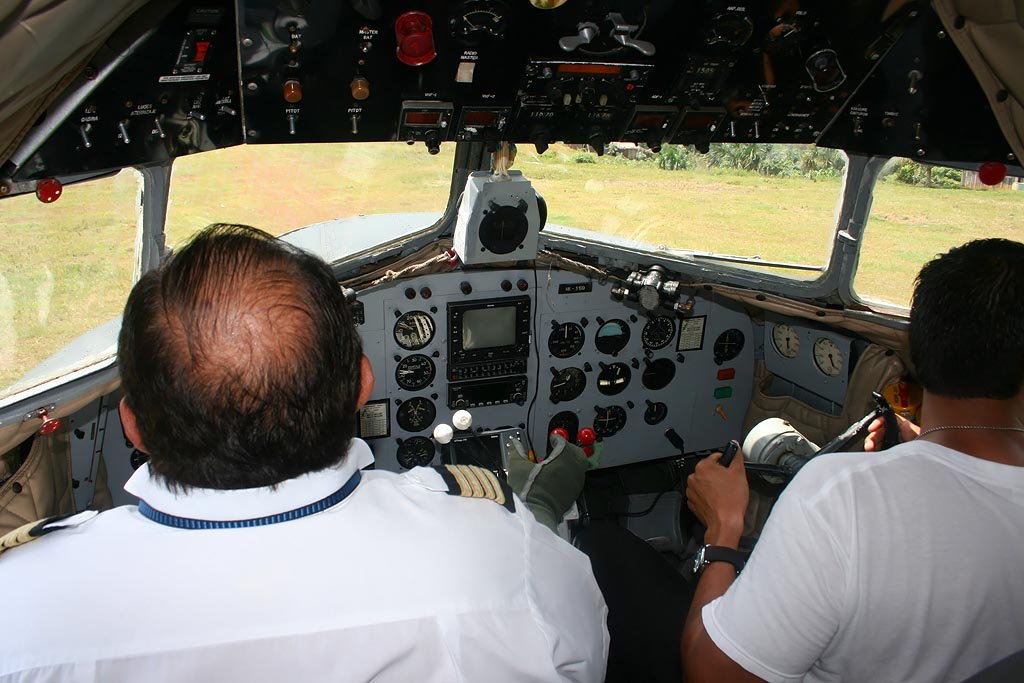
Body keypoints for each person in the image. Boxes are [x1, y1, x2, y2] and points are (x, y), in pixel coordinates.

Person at [0, 224, 608, 682]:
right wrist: (537, 514)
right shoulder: (503, 553)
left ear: (132, 425)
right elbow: (587, 657)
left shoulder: (19, 606)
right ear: (362, 386)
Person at [683, 238, 1024, 682]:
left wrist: (722, 531)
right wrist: (919, 441)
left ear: (915, 350)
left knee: (614, 554)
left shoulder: (841, 498)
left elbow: (712, 675)